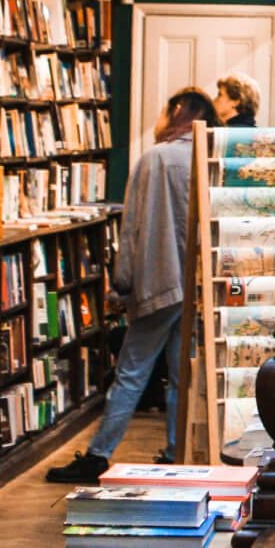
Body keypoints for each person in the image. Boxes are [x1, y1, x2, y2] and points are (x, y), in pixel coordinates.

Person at [48, 87, 218, 483]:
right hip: (196, 288)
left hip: (159, 283)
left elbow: (134, 229)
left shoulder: (154, 159)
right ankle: (176, 454)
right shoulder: (209, 157)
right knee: (182, 376)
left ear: (177, 113)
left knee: (131, 371)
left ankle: (98, 455)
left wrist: (121, 285)